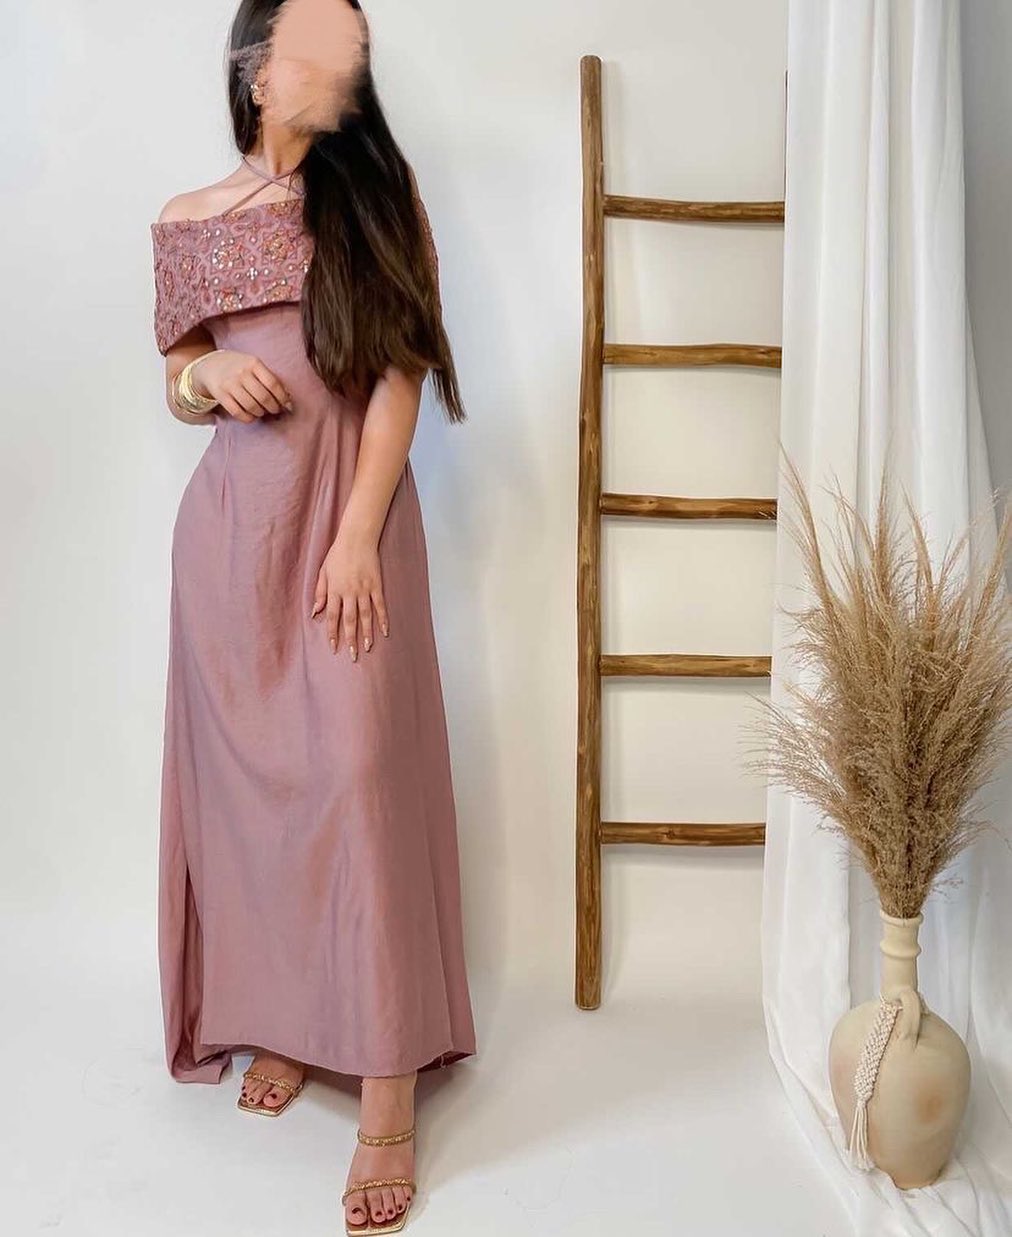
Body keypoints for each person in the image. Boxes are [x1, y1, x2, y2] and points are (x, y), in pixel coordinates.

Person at [149, 1, 477, 1231]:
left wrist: (356, 531)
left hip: (350, 525)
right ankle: (288, 1018)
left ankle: (386, 1082)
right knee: (261, 796)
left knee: (355, 775)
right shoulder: (190, 216)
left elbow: (398, 376)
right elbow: (175, 375)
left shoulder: (379, 199)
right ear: (255, 69)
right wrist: (201, 374)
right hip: (234, 537)